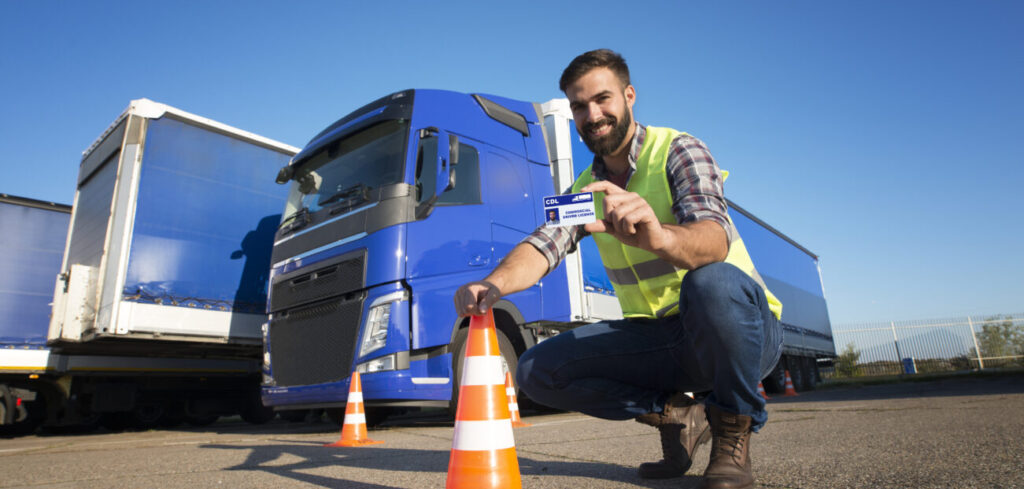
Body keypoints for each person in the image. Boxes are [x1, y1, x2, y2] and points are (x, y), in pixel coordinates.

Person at [453, 49, 783, 489]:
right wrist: (492, 284)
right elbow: (542, 245)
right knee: (536, 371)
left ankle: (732, 432)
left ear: (629, 96)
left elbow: (713, 239)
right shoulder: (585, 191)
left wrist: (659, 236)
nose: (593, 114)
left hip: (740, 333)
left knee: (712, 283)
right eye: (579, 105)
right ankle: (677, 416)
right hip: (660, 341)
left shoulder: (679, 150)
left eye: (603, 99)